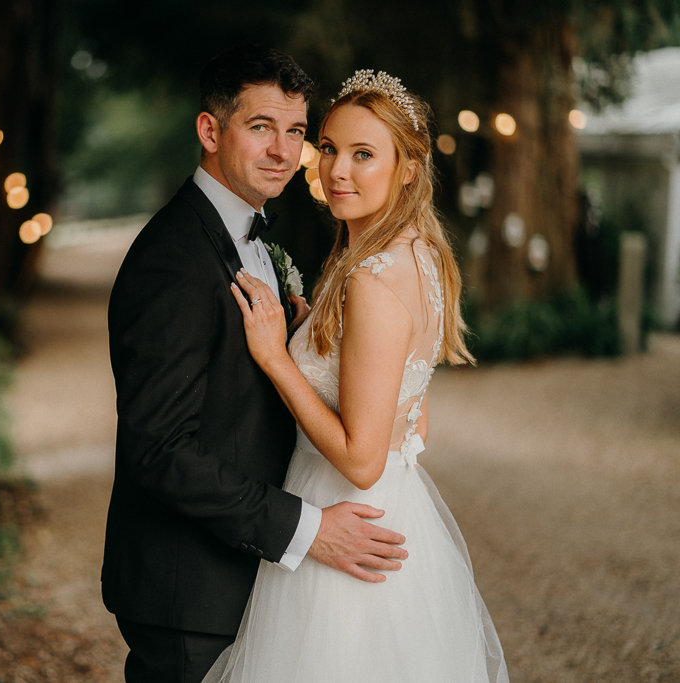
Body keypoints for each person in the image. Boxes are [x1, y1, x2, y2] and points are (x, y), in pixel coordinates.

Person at [102, 47, 409, 683]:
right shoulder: (174, 259)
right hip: (190, 593)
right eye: (261, 126)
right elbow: (158, 448)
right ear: (211, 131)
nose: (282, 151)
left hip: (250, 580)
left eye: (295, 132)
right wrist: (307, 528)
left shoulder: (258, 237)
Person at [203, 69, 510, 681]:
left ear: (409, 167)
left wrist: (276, 357)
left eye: (364, 155)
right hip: (397, 510)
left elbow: (362, 459)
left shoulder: (370, 279)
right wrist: (315, 328)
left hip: (347, 518)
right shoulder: (421, 255)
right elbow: (413, 409)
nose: (336, 171)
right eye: (330, 150)